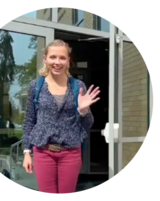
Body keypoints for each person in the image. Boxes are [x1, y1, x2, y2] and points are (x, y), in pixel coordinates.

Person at [23, 39, 100, 195]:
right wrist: (26, 152)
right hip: (43, 152)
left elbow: (88, 124)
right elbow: (30, 120)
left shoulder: (78, 86)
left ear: (68, 61)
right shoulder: (36, 86)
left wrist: (84, 110)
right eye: (53, 57)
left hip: (70, 153)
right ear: (45, 59)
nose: (57, 62)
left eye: (62, 58)